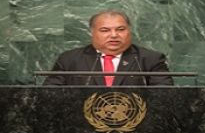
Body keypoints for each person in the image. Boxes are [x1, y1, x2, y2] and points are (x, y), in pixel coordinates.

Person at [44, 10, 174, 86]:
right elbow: (49, 93)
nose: (114, 35)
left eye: (120, 29)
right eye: (105, 30)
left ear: (129, 31)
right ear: (92, 32)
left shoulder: (151, 59)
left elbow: (164, 94)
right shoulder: (70, 59)